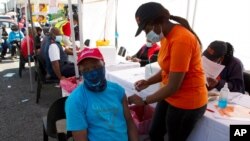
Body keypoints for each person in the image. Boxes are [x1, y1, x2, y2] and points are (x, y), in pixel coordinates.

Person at [128, 2, 207, 141]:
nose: (147, 34)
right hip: (170, 96)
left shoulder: (181, 39)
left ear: (159, 22)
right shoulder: (165, 36)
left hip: (188, 102)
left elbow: (173, 86)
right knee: (155, 133)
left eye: (147, 29)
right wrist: (148, 81)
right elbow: (167, 70)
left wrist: (144, 100)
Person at [65, 47, 139, 141]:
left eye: (96, 66)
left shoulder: (117, 90)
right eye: (86, 69)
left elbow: (129, 121)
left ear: (104, 64)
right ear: (81, 71)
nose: (92, 72)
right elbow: (81, 138)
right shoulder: (75, 100)